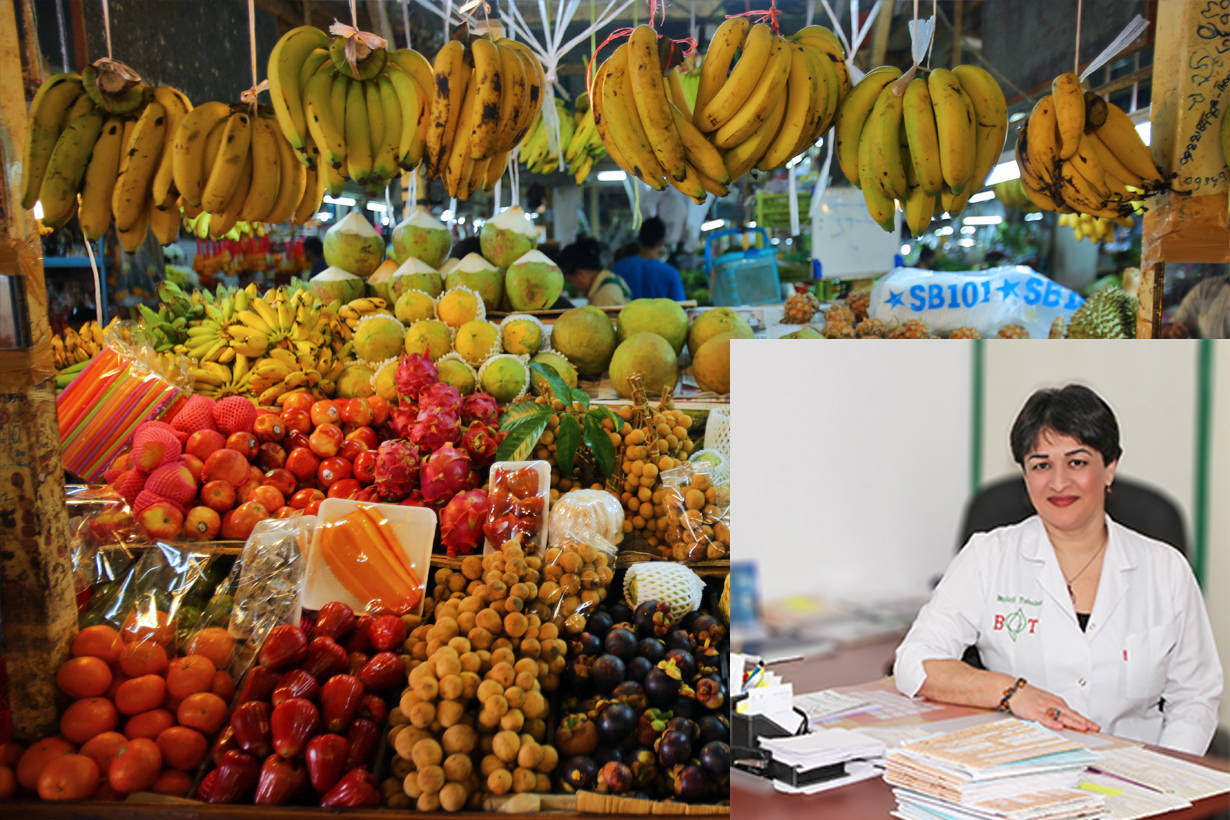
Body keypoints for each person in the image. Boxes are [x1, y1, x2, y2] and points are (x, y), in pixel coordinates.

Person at [893, 385, 1221, 755]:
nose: (1059, 482)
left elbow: (1195, 697)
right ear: (1025, 476)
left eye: (1077, 462)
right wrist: (1013, 692)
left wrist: (1165, 777)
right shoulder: (990, 555)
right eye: (1041, 465)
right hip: (1023, 771)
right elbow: (914, 663)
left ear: (1109, 468)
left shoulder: (1165, 569)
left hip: (1136, 779)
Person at [611, 217, 686, 301]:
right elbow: (680, 306)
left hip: (624, 314)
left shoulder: (618, 268)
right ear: (661, 242)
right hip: (660, 314)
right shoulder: (670, 273)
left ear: (639, 239)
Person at [560, 237, 631, 306]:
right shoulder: (610, 278)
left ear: (580, 274)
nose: (574, 286)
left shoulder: (605, 294)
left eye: (570, 281)